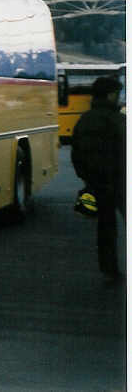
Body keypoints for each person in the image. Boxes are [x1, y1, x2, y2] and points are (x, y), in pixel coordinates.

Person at [71, 76, 126, 278]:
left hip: (96, 184)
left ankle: (109, 268)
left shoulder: (83, 120)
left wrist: (87, 178)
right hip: (121, 182)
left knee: (105, 228)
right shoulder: (118, 120)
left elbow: (76, 154)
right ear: (111, 94)